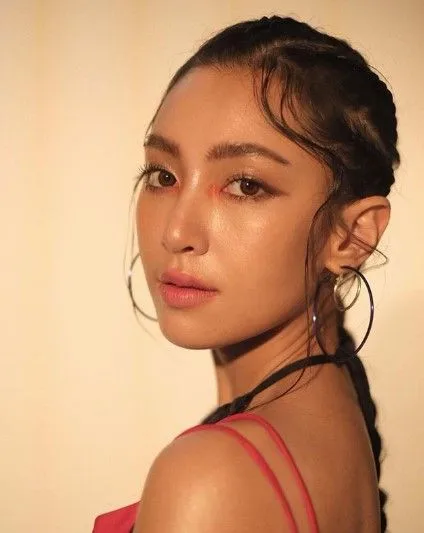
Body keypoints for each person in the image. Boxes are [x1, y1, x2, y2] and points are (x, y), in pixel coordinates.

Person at [92, 14, 399, 533]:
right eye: (163, 175)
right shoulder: (333, 410)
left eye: (246, 186)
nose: (176, 232)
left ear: (351, 235)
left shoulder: (213, 477)